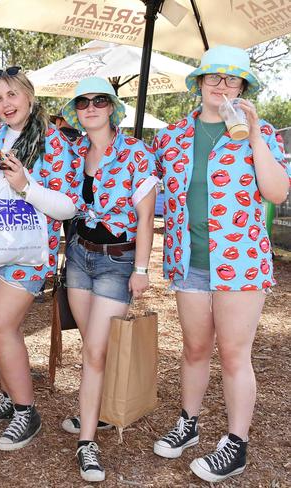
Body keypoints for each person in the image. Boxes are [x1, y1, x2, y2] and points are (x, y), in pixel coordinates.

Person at [152, 46, 290, 483]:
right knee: (194, 349)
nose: (223, 86)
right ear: (199, 84)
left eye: (233, 80)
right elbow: (146, 191)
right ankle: (188, 424)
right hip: (188, 260)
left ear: (244, 88)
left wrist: (252, 137)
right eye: (214, 77)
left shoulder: (263, 131)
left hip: (242, 265)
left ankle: (235, 444)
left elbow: (277, 193)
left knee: (233, 354)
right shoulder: (172, 137)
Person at [0, 66, 77, 451]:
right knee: (5, 329)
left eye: (11, 95)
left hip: (27, 250)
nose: (5, 103)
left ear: (28, 96)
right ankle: (9, 397)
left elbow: (67, 207)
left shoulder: (52, 142)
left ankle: (27, 411)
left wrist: (26, 185)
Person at [59, 77, 158, 482]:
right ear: (77, 112)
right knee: (91, 347)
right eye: (83, 102)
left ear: (113, 107)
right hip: (80, 257)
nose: (91, 107)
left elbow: (146, 218)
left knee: (95, 351)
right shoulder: (74, 151)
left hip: (118, 262)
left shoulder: (136, 152)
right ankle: (94, 411)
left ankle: (87, 444)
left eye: (100, 100)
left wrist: (142, 269)